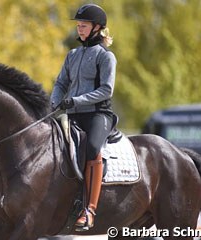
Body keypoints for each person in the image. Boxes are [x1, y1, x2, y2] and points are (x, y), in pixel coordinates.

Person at [50, 4, 117, 231]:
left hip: (98, 114)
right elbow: (61, 83)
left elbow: (106, 90)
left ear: (97, 28)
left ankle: (89, 210)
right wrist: (54, 101)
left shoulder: (106, 56)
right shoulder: (73, 55)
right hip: (73, 114)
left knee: (92, 147)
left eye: (83, 25)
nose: (79, 29)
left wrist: (75, 100)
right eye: (78, 25)